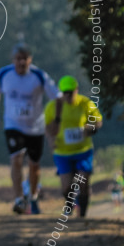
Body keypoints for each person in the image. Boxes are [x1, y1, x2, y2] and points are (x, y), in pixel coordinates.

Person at [0, 44, 59, 215]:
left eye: (24, 59)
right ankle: (19, 198)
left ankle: (33, 197)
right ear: (13, 60)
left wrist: (56, 121)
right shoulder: (4, 74)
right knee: (16, 159)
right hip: (13, 125)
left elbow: (56, 97)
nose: (21, 63)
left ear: (30, 60)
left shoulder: (39, 76)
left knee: (34, 165)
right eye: (17, 59)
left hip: (35, 127)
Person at [44, 76, 102, 217]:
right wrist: (51, 141)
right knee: (66, 187)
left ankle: (82, 214)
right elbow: (47, 127)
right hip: (62, 152)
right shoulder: (53, 106)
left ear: (77, 90)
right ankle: (69, 203)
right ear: (61, 92)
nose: (68, 95)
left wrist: (90, 128)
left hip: (83, 151)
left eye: (71, 92)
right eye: (65, 93)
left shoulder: (85, 104)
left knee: (83, 182)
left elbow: (98, 121)